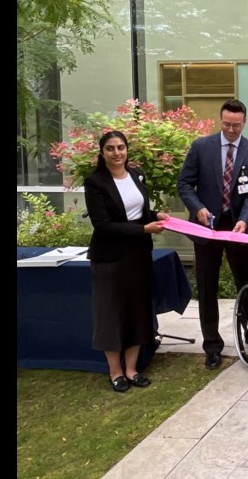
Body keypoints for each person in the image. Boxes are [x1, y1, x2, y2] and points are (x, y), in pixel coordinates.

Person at [177, 99, 248, 370]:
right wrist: (198, 208)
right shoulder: (202, 147)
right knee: (207, 287)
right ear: (220, 120)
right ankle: (212, 345)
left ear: (244, 123)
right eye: (226, 124)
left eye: (236, 125)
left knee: (246, 284)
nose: (230, 129)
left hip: (237, 227)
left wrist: (244, 220)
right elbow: (184, 184)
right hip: (207, 229)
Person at [84, 130, 169, 392]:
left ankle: (132, 369)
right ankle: (115, 371)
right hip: (110, 257)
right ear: (102, 153)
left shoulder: (136, 175)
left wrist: (156, 214)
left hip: (139, 254)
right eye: (111, 148)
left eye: (121, 147)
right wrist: (144, 229)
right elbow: (103, 225)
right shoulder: (95, 182)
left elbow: (139, 212)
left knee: (138, 311)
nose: (117, 153)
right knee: (112, 313)